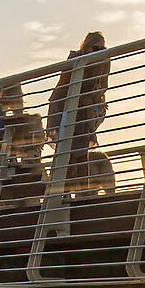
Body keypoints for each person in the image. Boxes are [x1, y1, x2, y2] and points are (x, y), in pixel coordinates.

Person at [47, 32, 110, 193]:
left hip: (84, 109)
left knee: (81, 153)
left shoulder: (104, 59)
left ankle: (84, 193)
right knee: (68, 153)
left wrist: (96, 99)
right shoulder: (76, 59)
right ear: (86, 46)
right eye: (95, 48)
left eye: (102, 48)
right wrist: (84, 99)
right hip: (65, 107)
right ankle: (64, 194)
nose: (99, 51)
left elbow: (103, 85)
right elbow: (64, 88)